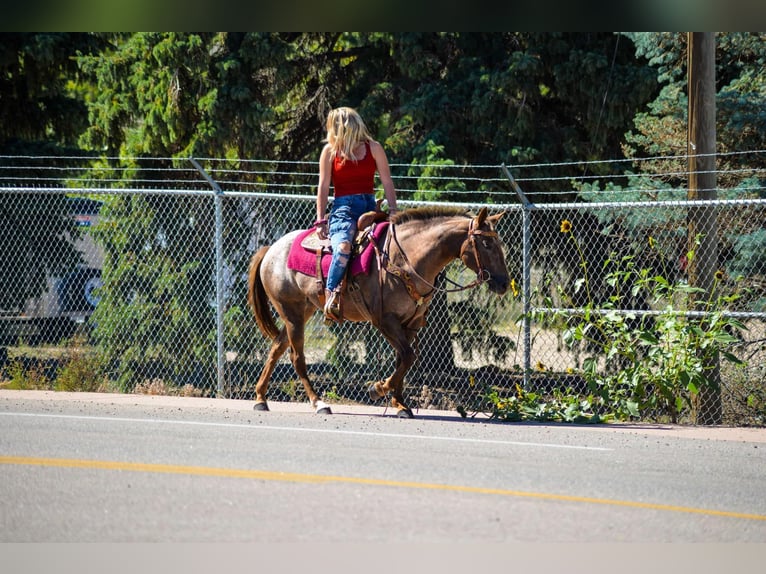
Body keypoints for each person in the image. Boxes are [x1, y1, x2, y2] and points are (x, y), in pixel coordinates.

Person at [315, 106, 399, 322]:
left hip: (369, 208)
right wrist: (321, 219)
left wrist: (393, 211)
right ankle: (332, 294)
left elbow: (387, 181)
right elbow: (323, 187)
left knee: (390, 244)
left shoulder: (373, 147)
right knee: (343, 246)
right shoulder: (330, 152)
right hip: (343, 209)